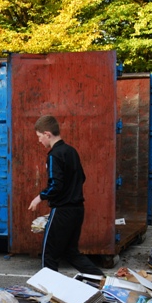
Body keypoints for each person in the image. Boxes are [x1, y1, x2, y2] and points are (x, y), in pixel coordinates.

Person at [27, 115, 104, 276]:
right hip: (77, 209)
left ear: (47, 134)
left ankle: (49, 288)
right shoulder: (71, 151)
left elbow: (55, 185)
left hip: (62, 211)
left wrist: (39, 197)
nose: (39, 140)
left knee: (48, 255)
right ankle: (101, 279)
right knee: (71, 252)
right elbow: (82, 177)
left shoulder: (54, 155)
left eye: (39, 136)